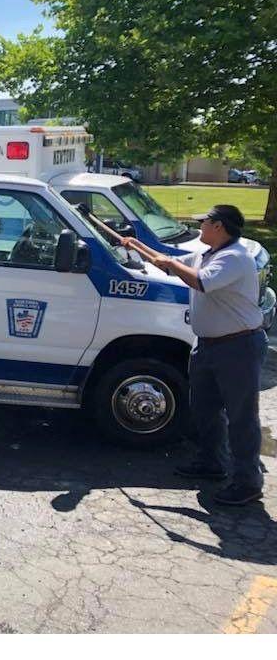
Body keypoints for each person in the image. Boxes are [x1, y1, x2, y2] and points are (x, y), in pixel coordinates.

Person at [121, 204, 268, 505]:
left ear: (220, 226)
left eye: (205, 222)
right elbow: (169, 263)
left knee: (241, 417)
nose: (200, 226)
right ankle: (211, 462)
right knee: (204, 408)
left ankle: (247, 482)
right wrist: (136, 246)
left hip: (237, 346)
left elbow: (200, 281)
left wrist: (171, 265)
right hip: (208, 345)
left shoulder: (234, 258)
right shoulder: (208, 254)